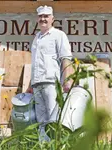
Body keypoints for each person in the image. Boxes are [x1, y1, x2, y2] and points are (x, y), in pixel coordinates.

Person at [27, 5, 74, 142]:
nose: (43, 19)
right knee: (41, 119)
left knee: (54, 118)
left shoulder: (58, 35)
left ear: (52, 19)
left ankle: (57, 144)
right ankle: (44, 145)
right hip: (37, 84)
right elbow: (35, 63)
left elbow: (66, 58)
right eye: (41, 16)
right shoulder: (37, 38)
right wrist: (31, 84)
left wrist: (67, 80)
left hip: (51, 84)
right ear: (37, 19)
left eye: (46, 16)